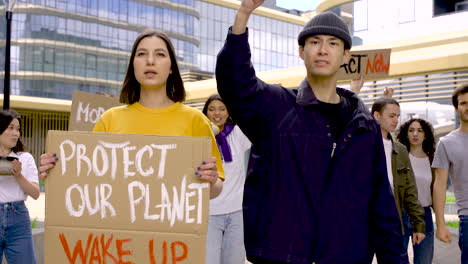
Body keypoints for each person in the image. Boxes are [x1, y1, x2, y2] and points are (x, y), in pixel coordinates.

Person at [215, 1, 407, 263]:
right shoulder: (276, 106)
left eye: (333, 43)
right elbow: (235, 84)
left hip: (344, 255)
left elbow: (381, 205)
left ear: (345, 56)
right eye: (315, 42)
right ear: (301, 52)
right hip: (282, 253)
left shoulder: (364, 125)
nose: (323, 50)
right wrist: (243, 15)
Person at [39, 29, 224, 199]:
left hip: (175, 232)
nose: (150, 61)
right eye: (142, 54)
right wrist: (56, 170)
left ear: (171, 68)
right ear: (133, 66)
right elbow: (88, 181)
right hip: (117, 232)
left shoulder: (195, 120)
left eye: (160, 54)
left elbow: (215, 188)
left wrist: (211, 180)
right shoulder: (110, 119)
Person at [202, 94, 251, 264]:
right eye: (212, 109)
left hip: (237, 212)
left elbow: (256, 122)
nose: (217, 113)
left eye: (222, 109)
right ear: (205, 113)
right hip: (209, 213)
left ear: (229, 111)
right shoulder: (199, 137)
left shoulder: (238, 133)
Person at [371, 98, 426, 243]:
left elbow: (410, 190)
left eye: (397, 116)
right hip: (366, 223)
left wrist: (418, 223)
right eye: (391, 116)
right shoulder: (362, 145)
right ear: (377, 116)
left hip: (393, 222)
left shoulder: (400, 150)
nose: (396, 120)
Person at [432, 83, 468, 264]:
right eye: (463, 103)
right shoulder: (446, 143)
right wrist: (440, 224)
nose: (467, 107)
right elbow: (439, 184)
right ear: (456, 109)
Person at [0, 109, 40, 264]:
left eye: (18, 129)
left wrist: (18, 175)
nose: (15, 133)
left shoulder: (25, 157)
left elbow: (36, 193)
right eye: (10, 128)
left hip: (18, 218)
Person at [397, 118, 436, 264]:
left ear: (425, 135)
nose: (415, 134)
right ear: (406, 134)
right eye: (411, 130)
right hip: (401, 214)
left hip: (424, 214)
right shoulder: (399, 157)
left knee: (424, 261)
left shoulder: (432, 160)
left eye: (420, 130)